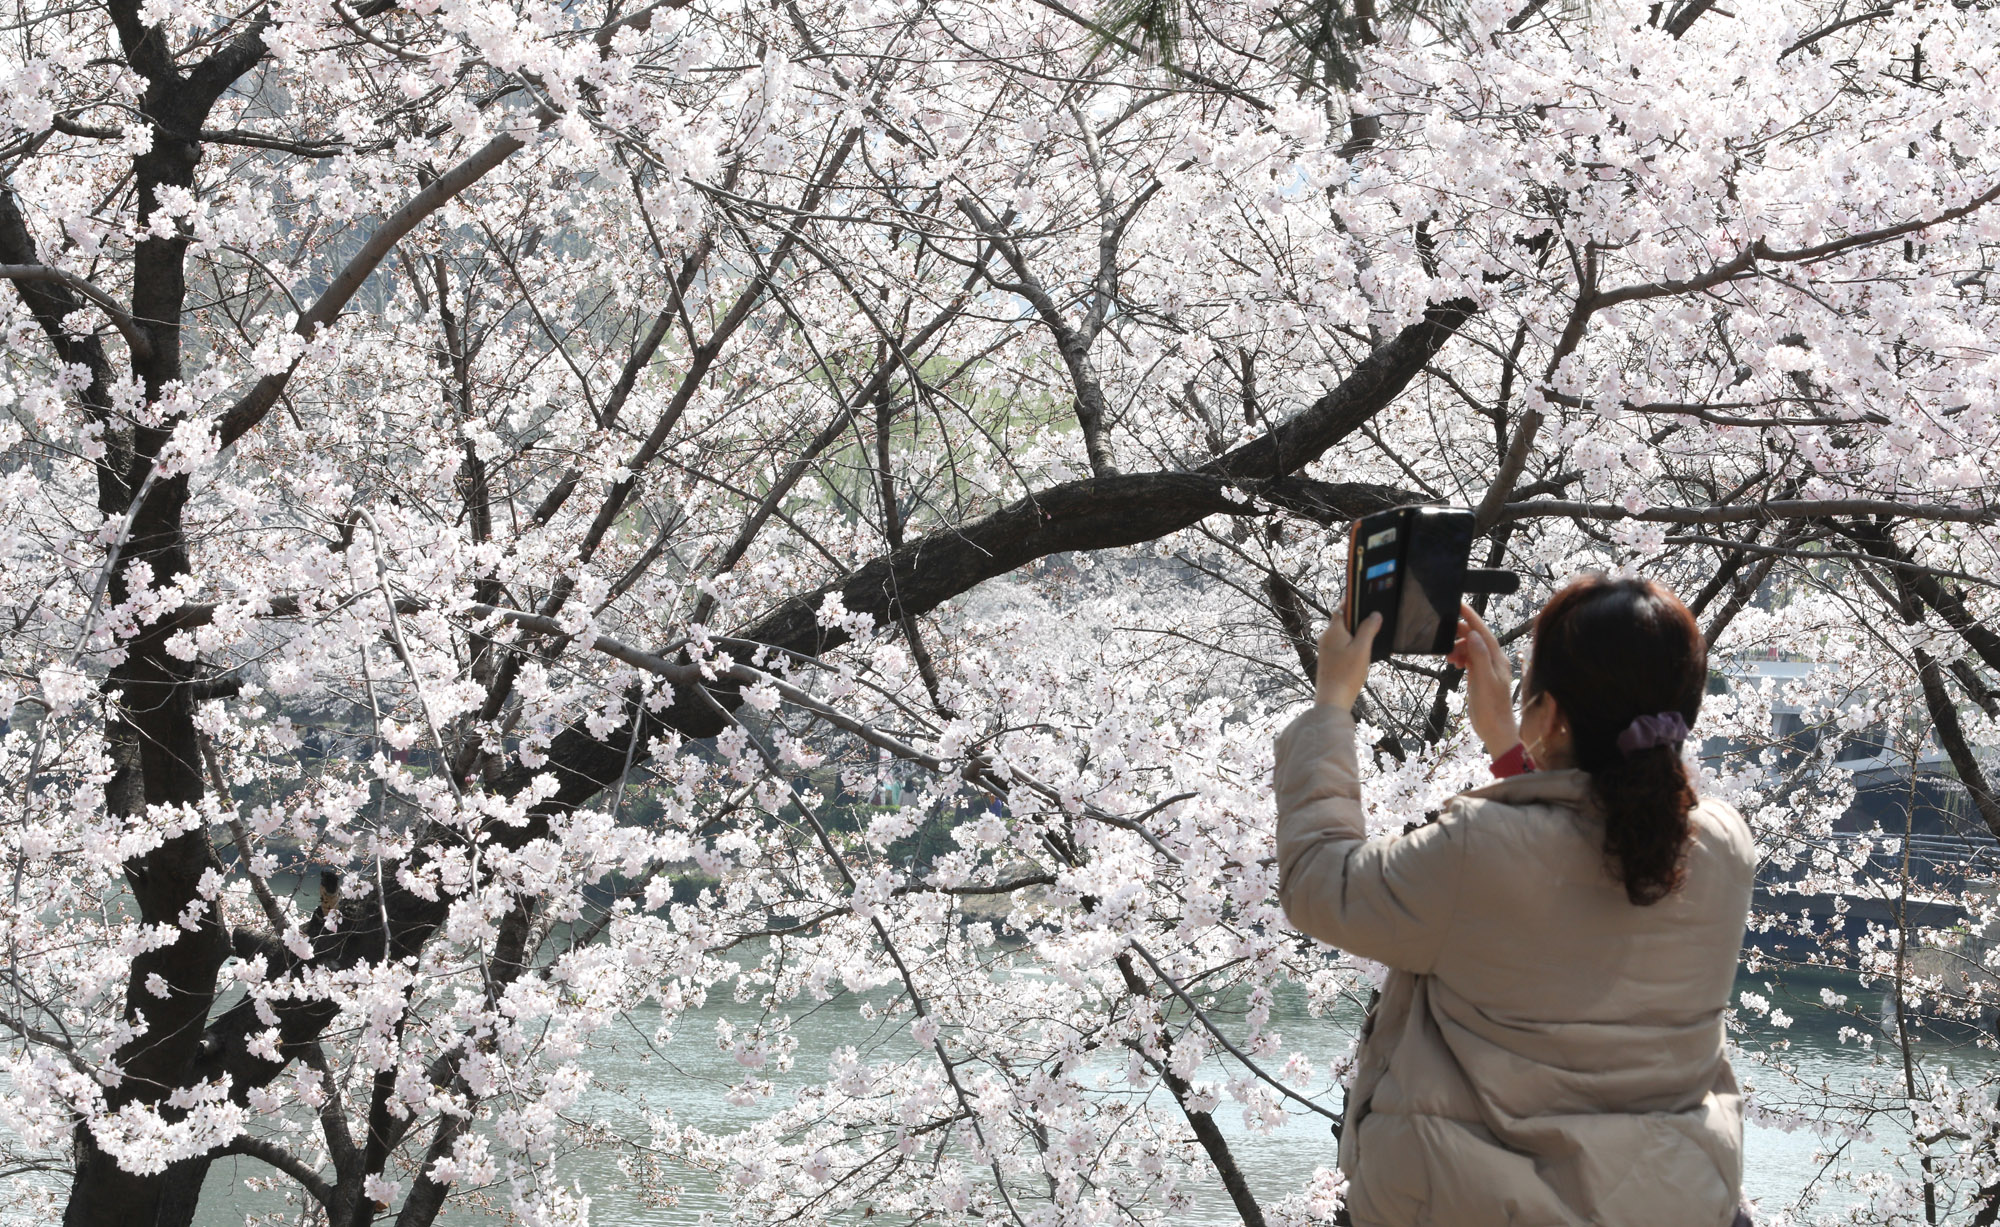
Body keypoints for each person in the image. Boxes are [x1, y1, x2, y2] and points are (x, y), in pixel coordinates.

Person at [1273, 575, 1755, 1227]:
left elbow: (1320, 882)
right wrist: (1510, 745)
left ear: (1550, 714)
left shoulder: (1477, 848)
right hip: (1674, 1204)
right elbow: (1578, 848)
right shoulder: (1720, 845)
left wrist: (1332, 702)